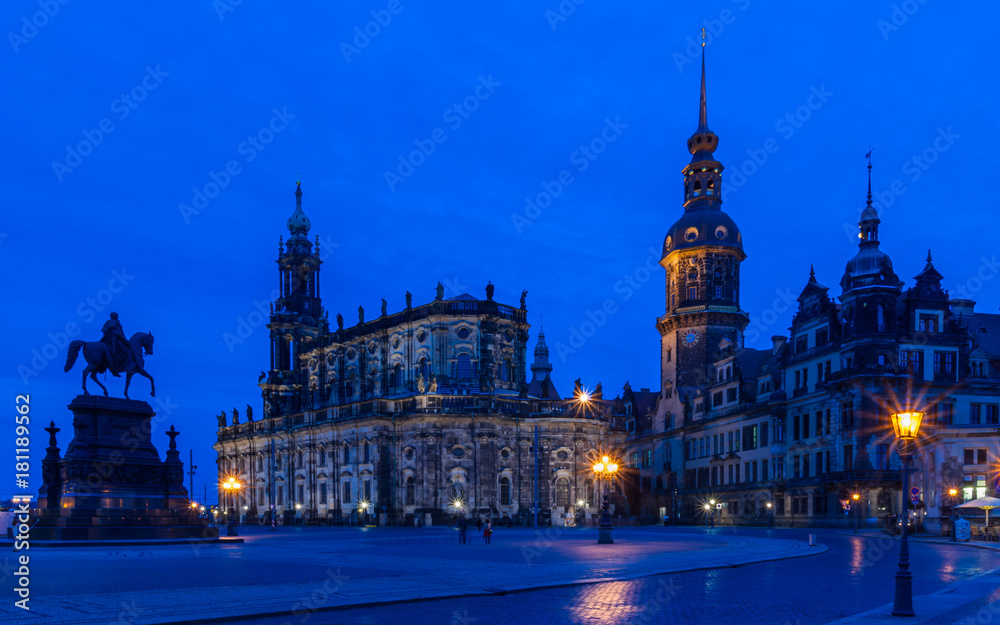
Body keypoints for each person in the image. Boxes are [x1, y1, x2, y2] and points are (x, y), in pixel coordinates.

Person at [100, 312, 132, 376]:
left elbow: (104, 330)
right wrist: (126, 341)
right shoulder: (115, 323)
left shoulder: (108, 322)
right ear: (116, 316)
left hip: (107, 341)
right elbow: (120, 334)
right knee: (127, 352)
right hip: (114, 342)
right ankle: (122, 367)